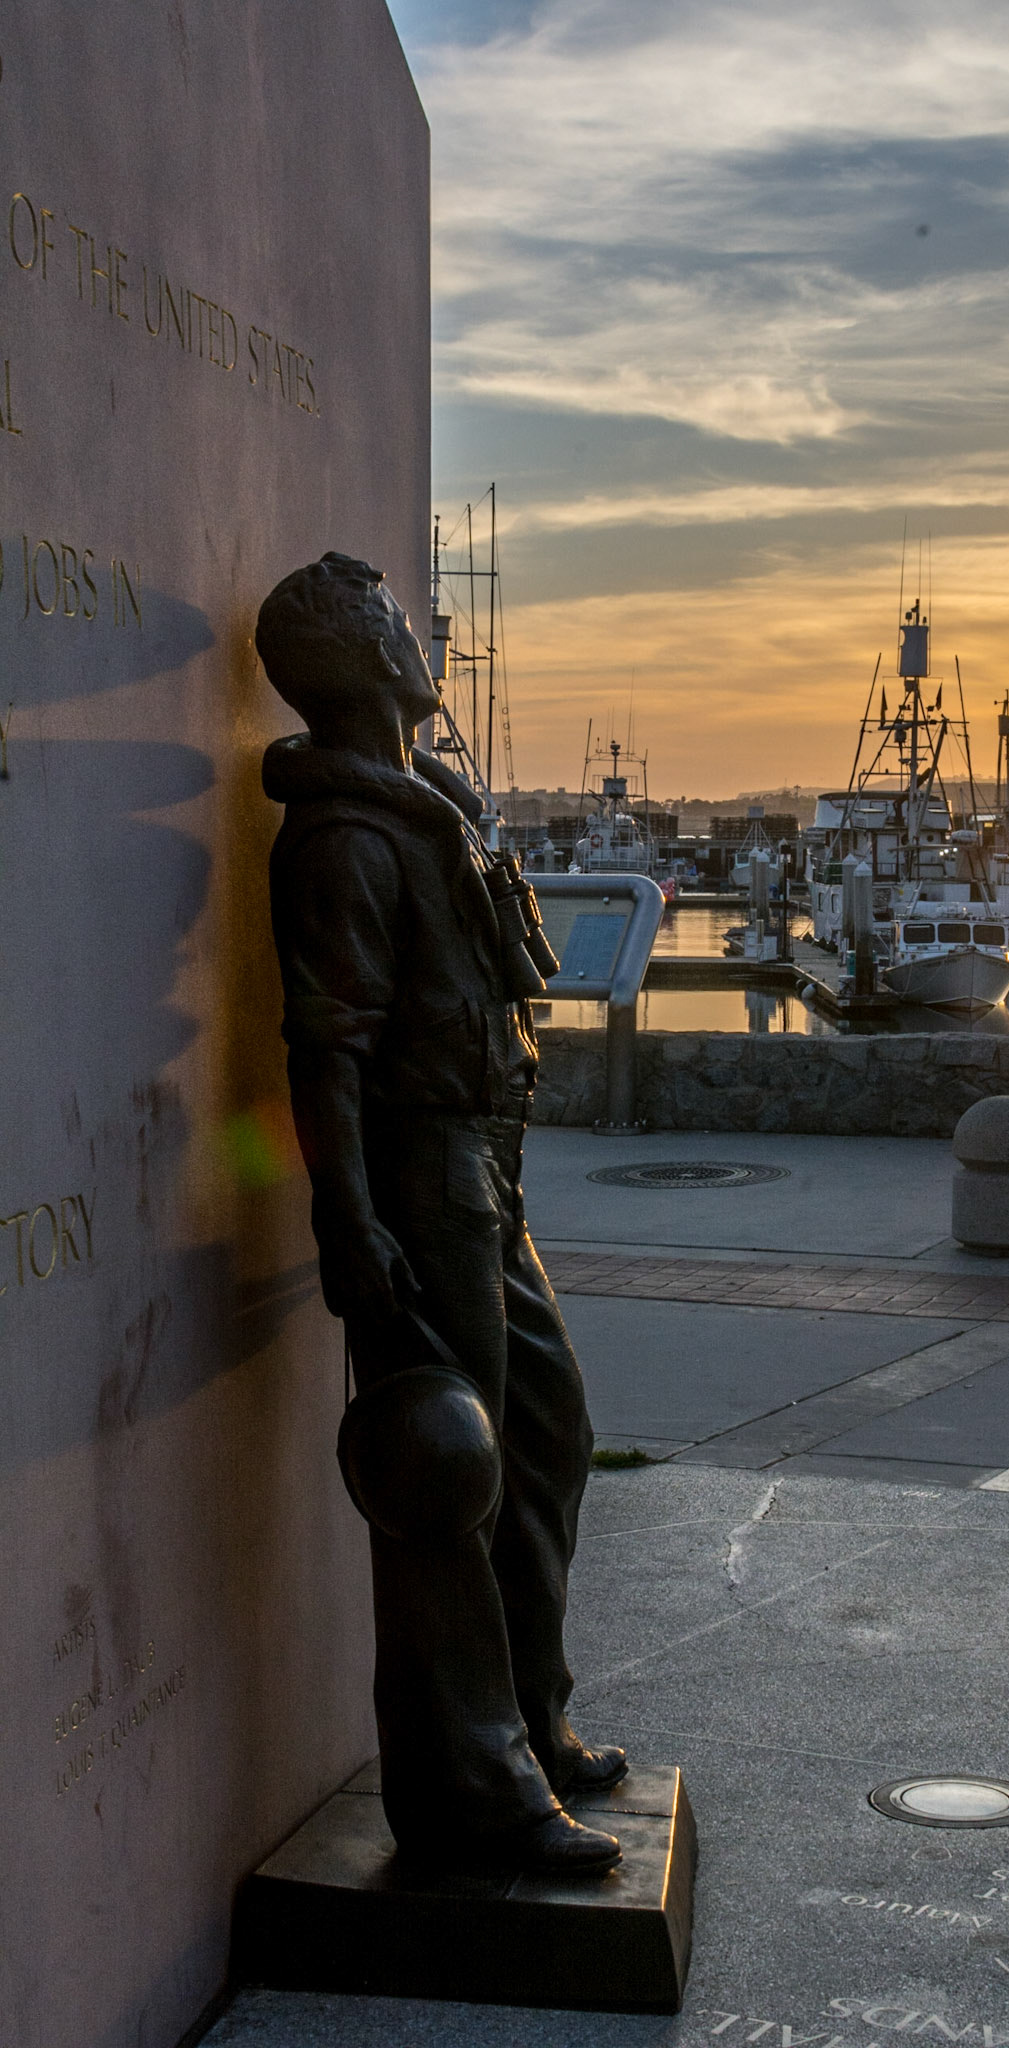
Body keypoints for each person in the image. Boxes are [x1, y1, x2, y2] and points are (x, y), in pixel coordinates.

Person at [257, 551, 625, 1877]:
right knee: (444, 1481)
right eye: (399, 627)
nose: (423, 645)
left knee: (548, 1436)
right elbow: (328, 1046)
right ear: (362, 661)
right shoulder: (347, 838)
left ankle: (532, 1714)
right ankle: (476, 1783)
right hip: (424, 1181)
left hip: (488, 1170)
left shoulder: (431, 809)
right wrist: (347, 1220)